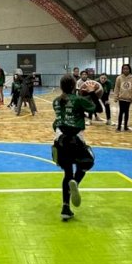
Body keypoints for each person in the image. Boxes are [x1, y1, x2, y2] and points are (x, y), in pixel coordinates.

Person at [52, 76, 96, 220]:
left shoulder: (56, 101)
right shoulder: (78, 100)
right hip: (76, 138)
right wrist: (91, 93)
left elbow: (64, 115)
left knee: (67, 173)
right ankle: (75, 183)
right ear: (73, 86)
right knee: (87, 162)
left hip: (60, 140)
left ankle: (65, 208)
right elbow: (98, 109)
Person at [113, 63, 132, 131]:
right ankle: (118, 127)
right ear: (122, 70)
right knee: (121, 112)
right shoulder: (119, 78)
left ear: (129, 70)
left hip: (128, 99)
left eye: (127, 69)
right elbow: (116, 88)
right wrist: (115, 97)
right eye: (124, 69)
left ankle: (125, 127)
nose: (125, 70)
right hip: (121, 98)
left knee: (126, 112)